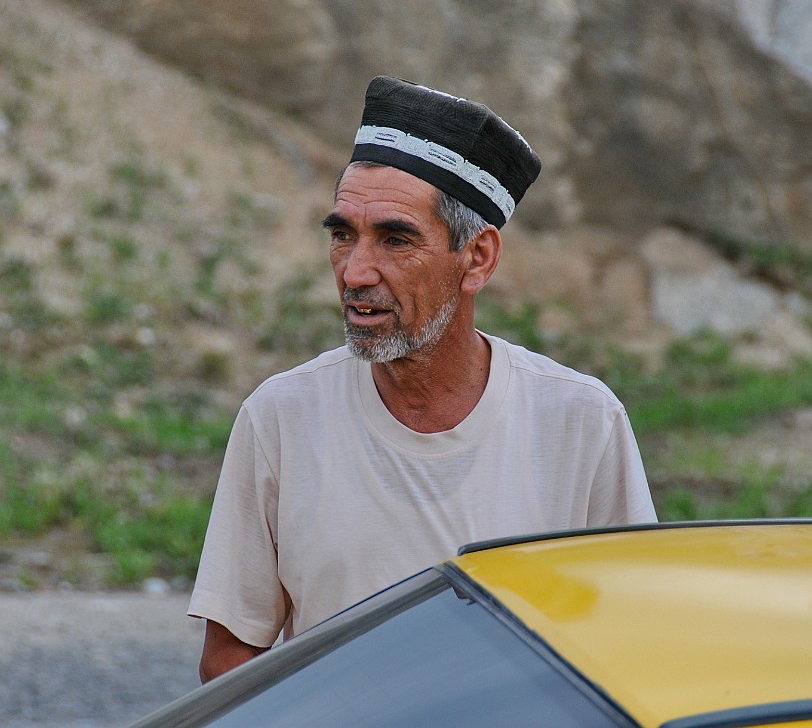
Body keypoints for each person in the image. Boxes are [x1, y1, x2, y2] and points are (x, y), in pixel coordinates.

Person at [189, 76, 657, 681]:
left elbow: (631, 645)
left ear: (477, 259)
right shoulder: (281, 417)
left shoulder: (580, 421)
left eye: (395, 239)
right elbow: (232, 658)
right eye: (342, 235)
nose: (356, 272)